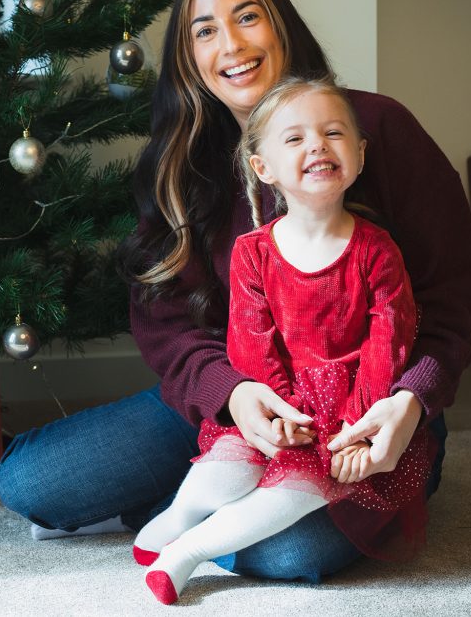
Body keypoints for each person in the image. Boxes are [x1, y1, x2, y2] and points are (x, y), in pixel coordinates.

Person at [0, 0, 471, 585]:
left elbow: (451, 292)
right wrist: (230, 393)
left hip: (366, 415)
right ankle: (220, 491)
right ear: (188, 58)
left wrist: (411, 398)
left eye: (247, 16)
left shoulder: (372, 128)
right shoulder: (178, 163)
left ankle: (199, 508)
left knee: (291, 556)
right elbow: (166, 322)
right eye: (204, 30)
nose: (231, 44)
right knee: (31, 482)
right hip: (236, 399)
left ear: (280, 26)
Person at [135, 76, 435, 604]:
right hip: (278, 403)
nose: (317, 144)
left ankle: (186, 554)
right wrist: (280, 413)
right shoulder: (254, 252)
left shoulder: (377, 251)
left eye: (334, 132)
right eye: (294, 138)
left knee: (294, 497)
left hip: (346, 419)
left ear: (360, 155)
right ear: (263, 168)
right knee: (225, 469)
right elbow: (251, 343)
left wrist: (355, 428)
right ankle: (178, 516)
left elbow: (389, 343)